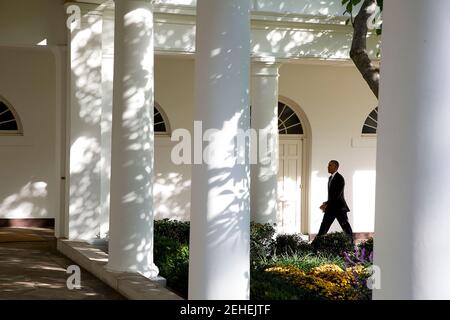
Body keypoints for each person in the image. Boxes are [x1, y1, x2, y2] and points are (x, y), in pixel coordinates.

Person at [314, 160, 353, 244]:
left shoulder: (340, 178)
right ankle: (315, 245)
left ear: (335, 167)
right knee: (324, 227)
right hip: (331, 208)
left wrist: (326, 204)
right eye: (328, 165)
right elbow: (332, 195)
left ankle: (352, 245)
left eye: (330, 165)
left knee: (346, 228)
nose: (328, 167)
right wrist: (326, 203)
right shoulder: (330, 178)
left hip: (339, 208)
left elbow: (337, 195)